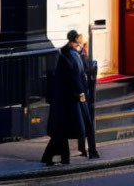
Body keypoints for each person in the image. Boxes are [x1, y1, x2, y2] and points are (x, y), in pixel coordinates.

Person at [41, 30, 98, 166]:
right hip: (71, 99)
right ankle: (61, 157)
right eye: (77, 41)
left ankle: (68, 156)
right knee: (67, 129)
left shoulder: (74, 54)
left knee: (65, 130)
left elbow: (82, 71)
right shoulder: (67, 56)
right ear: (72, 41)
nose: (78, 43)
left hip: (74, 98)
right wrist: (81, 93)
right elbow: (74, 76)